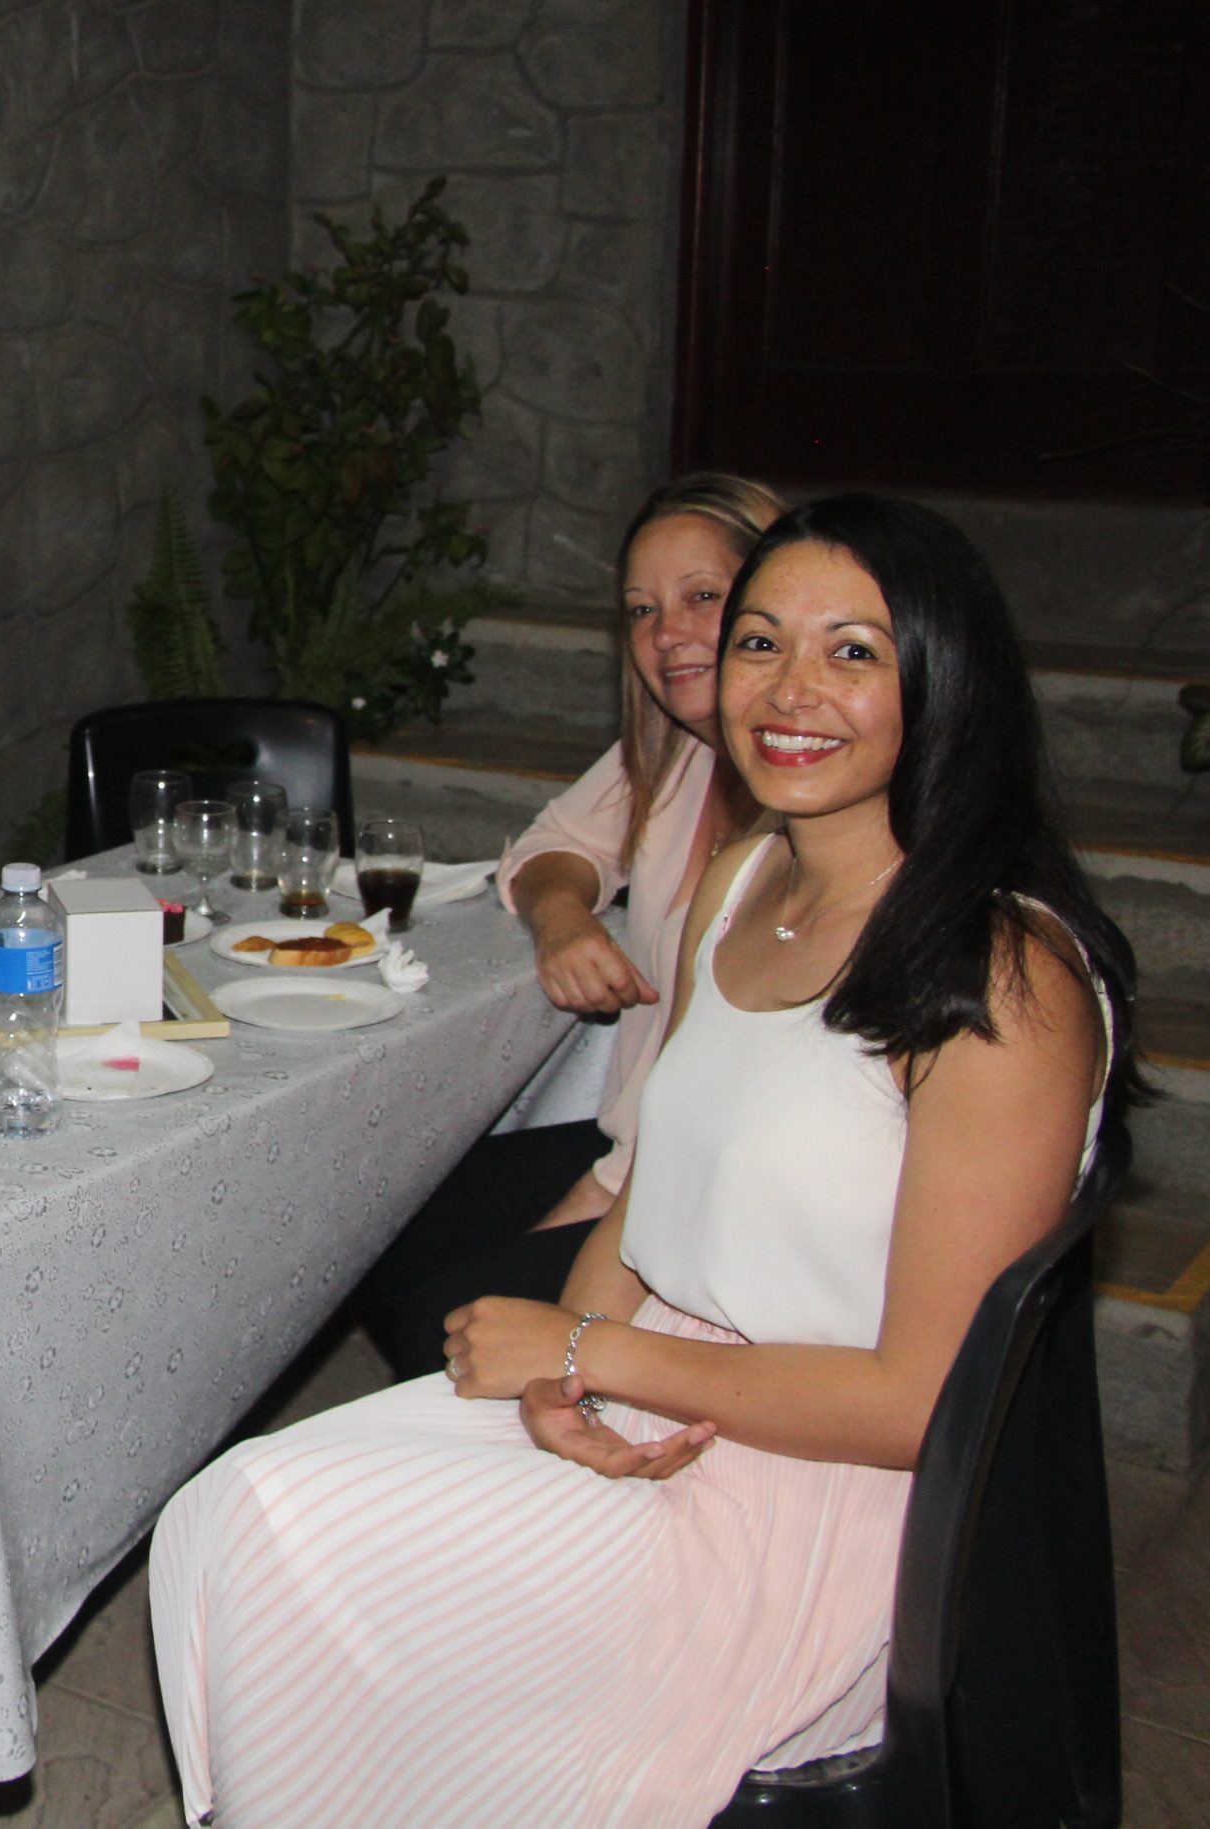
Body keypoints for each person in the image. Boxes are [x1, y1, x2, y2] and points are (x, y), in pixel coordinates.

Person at [149, 495, 1139, 1826]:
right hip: (664, 1388)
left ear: (944, 683)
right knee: (223, 1515)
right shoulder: (741, 880)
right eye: (760, 643)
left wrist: (588, 1353)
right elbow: (652, 1186)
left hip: (814, 1496)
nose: (789, 691)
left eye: (852, 651)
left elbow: (920, 1400)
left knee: (297, 1543)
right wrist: (569, 1366)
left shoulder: (1000, 973)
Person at [354, 474, 786, 1381]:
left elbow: (738, 1097)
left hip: (724, 1192)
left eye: (702, 597)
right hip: (635, 1144)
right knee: (382, 1234)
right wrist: (562, 919)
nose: (665, 634)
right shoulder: (678, 752)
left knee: (446, 1315)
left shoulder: (809, 800)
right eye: (641, 609)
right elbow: (555, 846)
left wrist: (591, 1204)